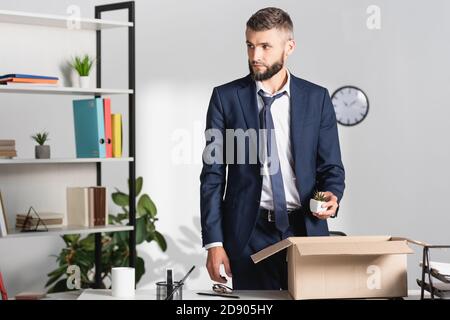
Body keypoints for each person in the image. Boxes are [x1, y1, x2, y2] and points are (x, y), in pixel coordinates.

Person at [200, 7, 345, 290]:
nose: (255, 56)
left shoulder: (317, 99)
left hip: (305, 229)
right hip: (248, 234)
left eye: (266, 46)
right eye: (250, 46)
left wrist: (332, 194)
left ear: (289, 47)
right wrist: (214, 242)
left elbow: (331, 167)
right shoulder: (225, 99)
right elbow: (213, 176)